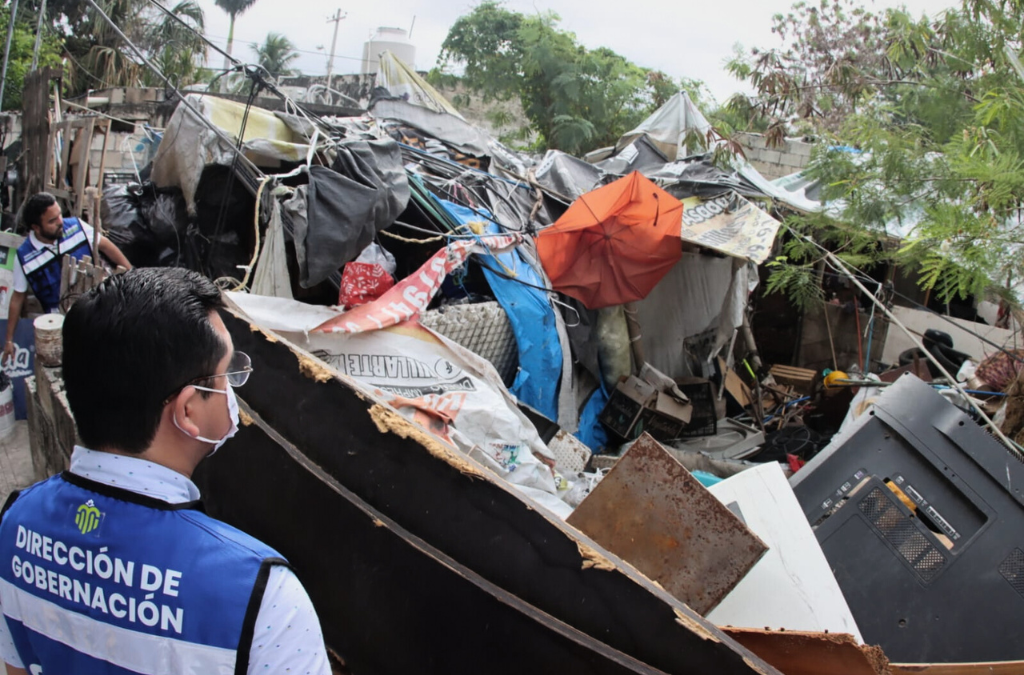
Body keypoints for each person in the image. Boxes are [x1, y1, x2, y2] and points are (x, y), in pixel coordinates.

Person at [0, 267, 331, 674]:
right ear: (189, 410)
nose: (232, 390)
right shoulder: (263, 598)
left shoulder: (14, 526)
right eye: (227, 374)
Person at [2, 192, 132, 365]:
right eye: (52, 221)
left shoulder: (77, 227)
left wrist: (132, 273)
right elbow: (18, 297)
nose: (60, 222)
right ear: (36, 227)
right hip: (63, 325)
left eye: (59, 215)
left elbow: (107, 247)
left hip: (99, 310)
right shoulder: (25, 257)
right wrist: (9, 340)